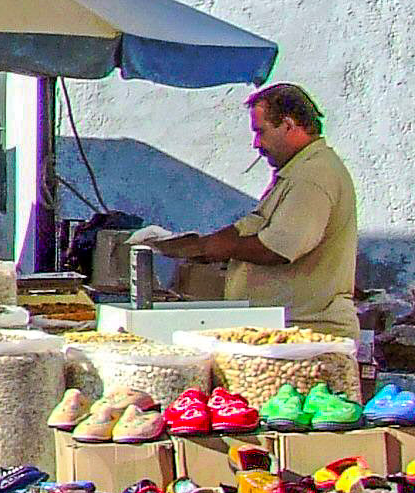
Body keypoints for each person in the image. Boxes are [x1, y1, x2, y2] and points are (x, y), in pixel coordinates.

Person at [149, 82, 358, 336]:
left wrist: (220, 248)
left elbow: (277, 249)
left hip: (308, 333)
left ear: (289, 125)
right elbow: (250, 226)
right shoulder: (298, 171)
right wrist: (197, 246)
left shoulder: (314, 175)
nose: (256, 143)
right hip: (286, 329)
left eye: (261, 131)